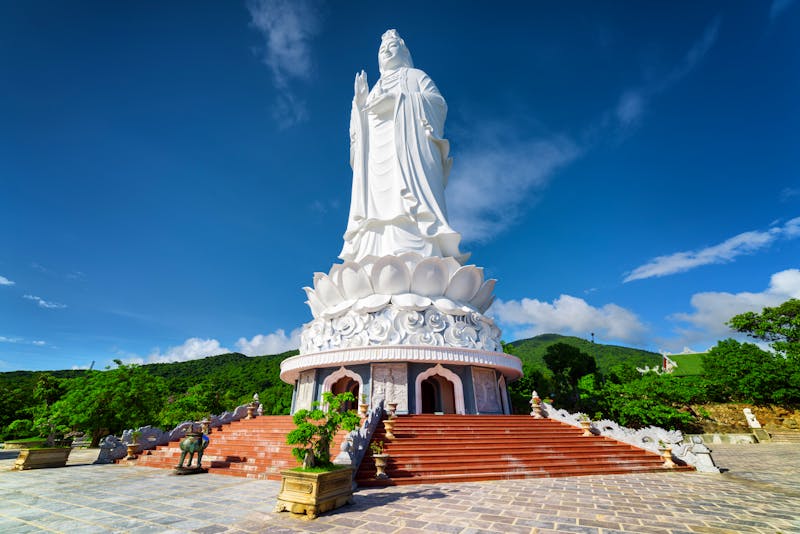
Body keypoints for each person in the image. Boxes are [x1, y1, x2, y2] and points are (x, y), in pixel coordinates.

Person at [340, 29, 468, 264]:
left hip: (409, 154)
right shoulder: (374, 88)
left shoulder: (415, 76)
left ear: (404, 51)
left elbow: (438, 105)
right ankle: (373, 254)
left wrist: (400, 100)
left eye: (392, 47)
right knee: (376, 207)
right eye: (382, 50)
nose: (387, 52)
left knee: (406, 201)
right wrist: (359, 105)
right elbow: (359, 138)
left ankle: (422, 253)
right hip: (377, 157)